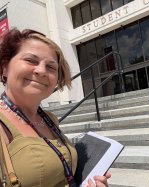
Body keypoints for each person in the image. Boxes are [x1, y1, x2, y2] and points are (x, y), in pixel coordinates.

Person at [0, 28, 111, 187]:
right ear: (5, 67)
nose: (41, 71)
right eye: (31, 60)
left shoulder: (50, 119)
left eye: (51, 67)